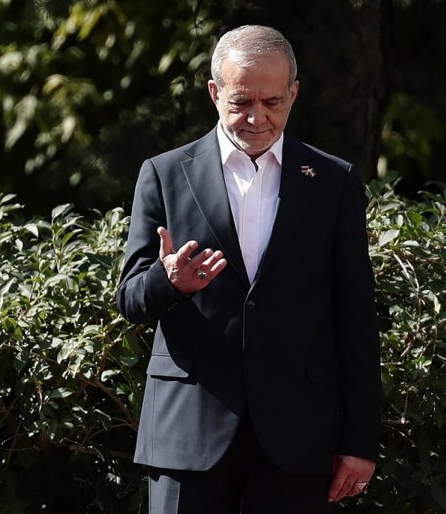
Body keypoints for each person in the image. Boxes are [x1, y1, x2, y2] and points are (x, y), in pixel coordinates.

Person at [116, 25, 381, 513]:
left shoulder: (332, 181)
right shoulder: (165, 173)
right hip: (188, 430)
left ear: (294, 94)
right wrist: (169, 282)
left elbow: (356, 316)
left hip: (296, 435)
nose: (257, 117)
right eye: (241, 102)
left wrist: (360, 438)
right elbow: (130, 297)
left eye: (273, 102)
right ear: (215, 93)